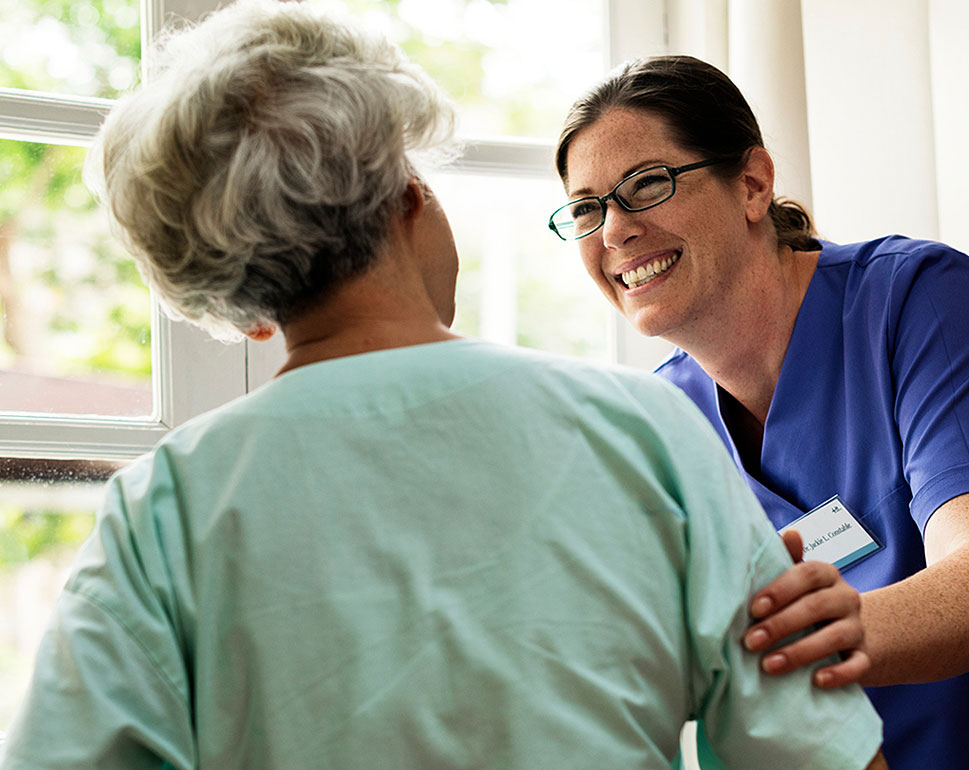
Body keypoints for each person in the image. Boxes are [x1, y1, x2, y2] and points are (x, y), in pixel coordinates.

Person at [0, 11, 888, 770]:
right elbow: (818, 753)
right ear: (407, 198)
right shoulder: (645, 431)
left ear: (243, 310)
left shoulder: (164, 511)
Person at [551, 54, 969, 769]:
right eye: (586, 208)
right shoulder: (666, 427)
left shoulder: (915, 300)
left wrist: (806, 639)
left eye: (646, 184)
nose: (613, 231)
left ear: (753, 184)